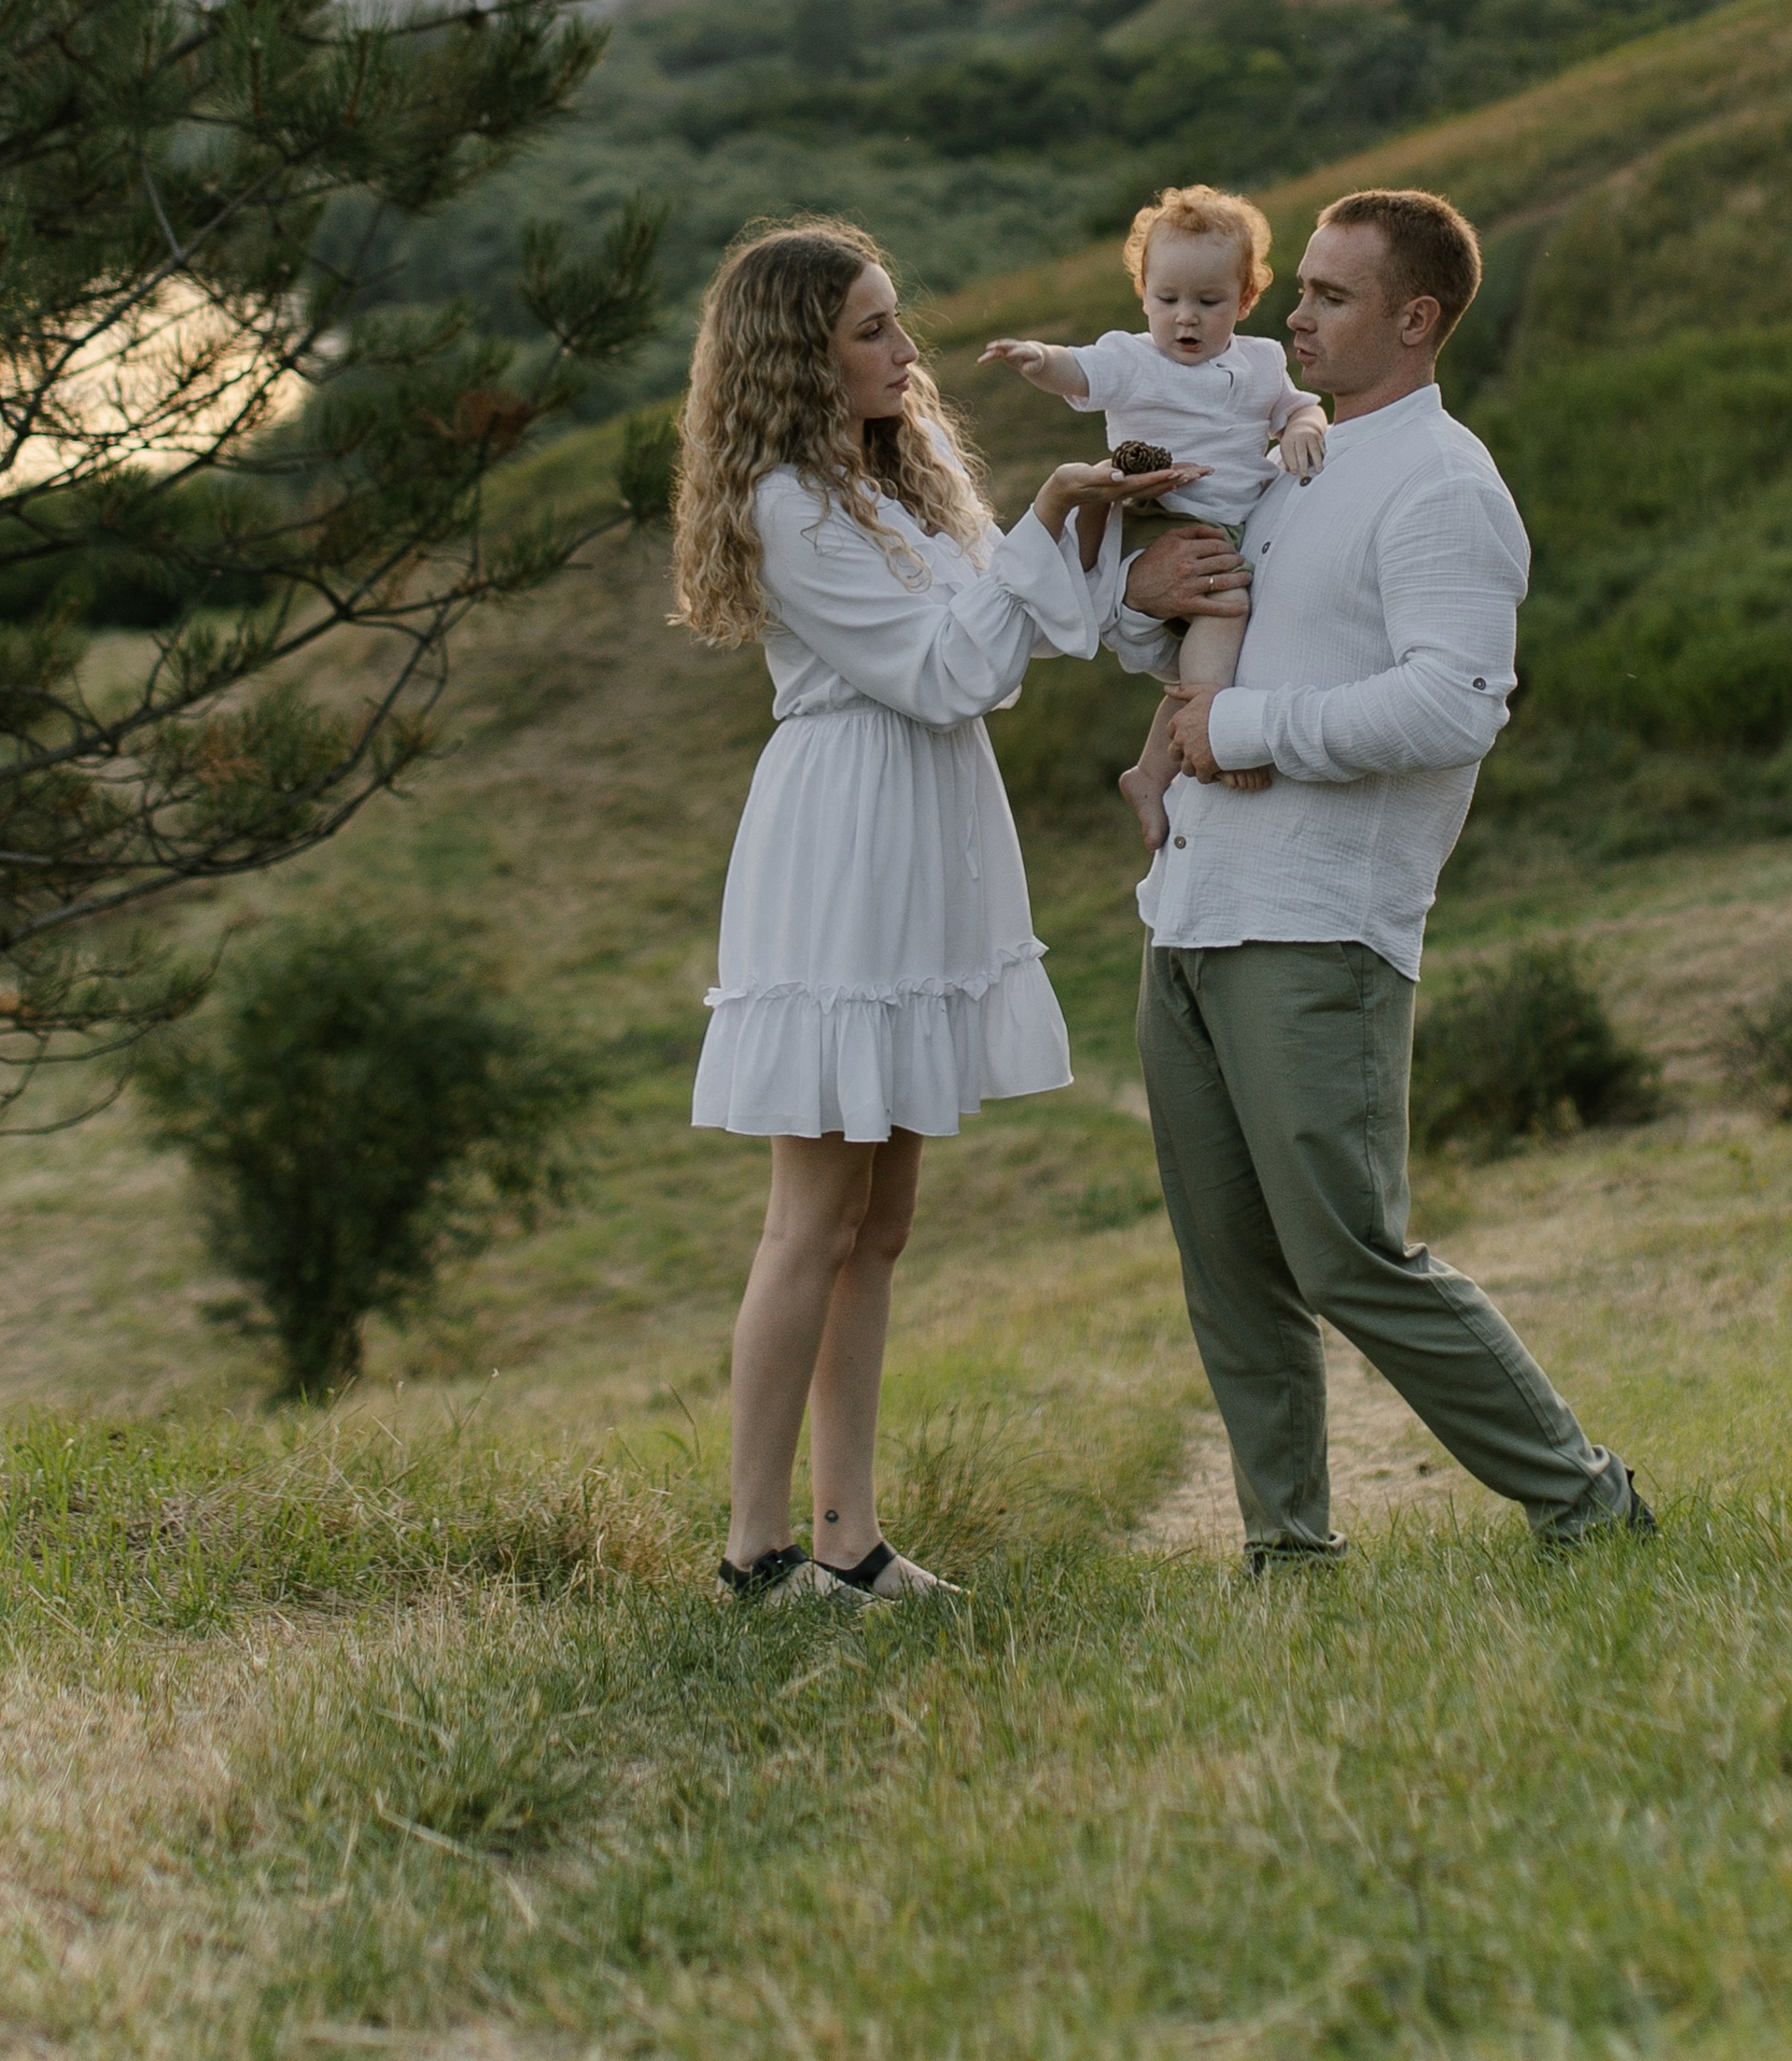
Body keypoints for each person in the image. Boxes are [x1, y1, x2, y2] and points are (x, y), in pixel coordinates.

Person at [1111, 186, 1654, 1561]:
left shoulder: (1446, 485)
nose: (1290, 313)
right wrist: (1149, 608)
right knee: (1231, 1274)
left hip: (1318, 927)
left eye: (1331, 297)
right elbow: (1215, 643)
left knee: (1350, 1255)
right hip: (1192, 911)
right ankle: (1288, 1556)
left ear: (1416, 320)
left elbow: (1456, 704)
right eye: (1298, 290)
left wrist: (1242, 729)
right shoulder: (1289, 461)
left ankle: (1587, 1502)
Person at [673, 219, 1193, 1604]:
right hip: (844, 837)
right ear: (800, 355)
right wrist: (1044, 525)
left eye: (896, 324)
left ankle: (850, 1539)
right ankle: (756, 1548)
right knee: (811, 1217)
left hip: (926, 825)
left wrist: (1081, 522)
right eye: (873, 331)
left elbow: (1008, 657)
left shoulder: (893, 484)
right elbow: (942, 671)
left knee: (883, 1219)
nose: (908, 353)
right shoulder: (787, 502)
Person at [982, 183, 1326, 853]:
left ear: (1246, 300)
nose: (1185, 320)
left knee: (1220, 638)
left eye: (1209, 302)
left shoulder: (1261, 361)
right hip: (1156, 512)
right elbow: (1078, 370)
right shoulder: (1133, 359)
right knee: (1223, 606)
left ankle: (1149, 772)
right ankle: (1212, 735)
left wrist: (1303, 426)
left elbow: (1296, 406)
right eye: (1167, 300)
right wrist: (1037, 358)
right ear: (1143, 293)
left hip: (1235, 523)